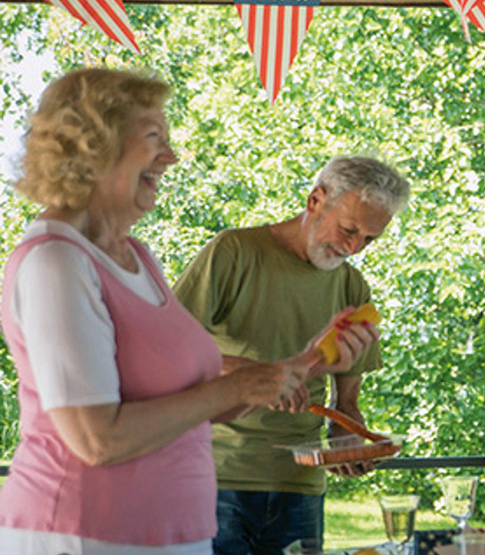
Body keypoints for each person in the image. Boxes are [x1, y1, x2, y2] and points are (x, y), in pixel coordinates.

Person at [0, 67, 372, 555]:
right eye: (153, 137)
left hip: (169, 535)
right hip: (83, 533)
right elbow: (97, 440)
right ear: (93, 147)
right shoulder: (57, 262)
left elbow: (191, 402)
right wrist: (236, 386)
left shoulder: (139, 258)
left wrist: (303, 365)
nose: (170, 157)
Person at [173, 155, 410, 554]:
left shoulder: (352, 286)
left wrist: (348, 438)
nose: (354, 247)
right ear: (315, 200)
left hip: (300, 486)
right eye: (349, 229)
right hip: (214, 477)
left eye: (369, 239)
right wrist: (261, 377)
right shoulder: (233, 251)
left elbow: (346, 404)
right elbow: (170, 348)